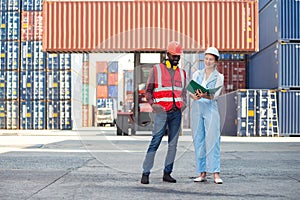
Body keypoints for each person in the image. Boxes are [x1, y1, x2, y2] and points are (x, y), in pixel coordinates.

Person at [140, 41, 187, 184]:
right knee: (155, 141)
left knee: (173, 145)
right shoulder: (157, 70)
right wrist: (153, 105)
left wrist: (183, 104)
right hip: (161, 113)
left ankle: (167, 173)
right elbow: (148, 91)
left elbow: (184, 92)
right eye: (174, 56)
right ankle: (145, 172)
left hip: (176, 113)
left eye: (178, 56)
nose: (176, 59)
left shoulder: (182, 73)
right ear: (167, 54)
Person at [189, 47, 224, 184]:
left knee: (213, 140)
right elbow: (191, 91)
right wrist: (195, 96)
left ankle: (216, 173)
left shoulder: (219, 77)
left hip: (210, 108)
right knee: (199, 140)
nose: (208, 61)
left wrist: (204, 94)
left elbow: (214, 95)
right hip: (197, 108)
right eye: (206, 59)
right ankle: (202, 173)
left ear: (216, 62)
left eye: (211, 59)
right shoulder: (197, 74)